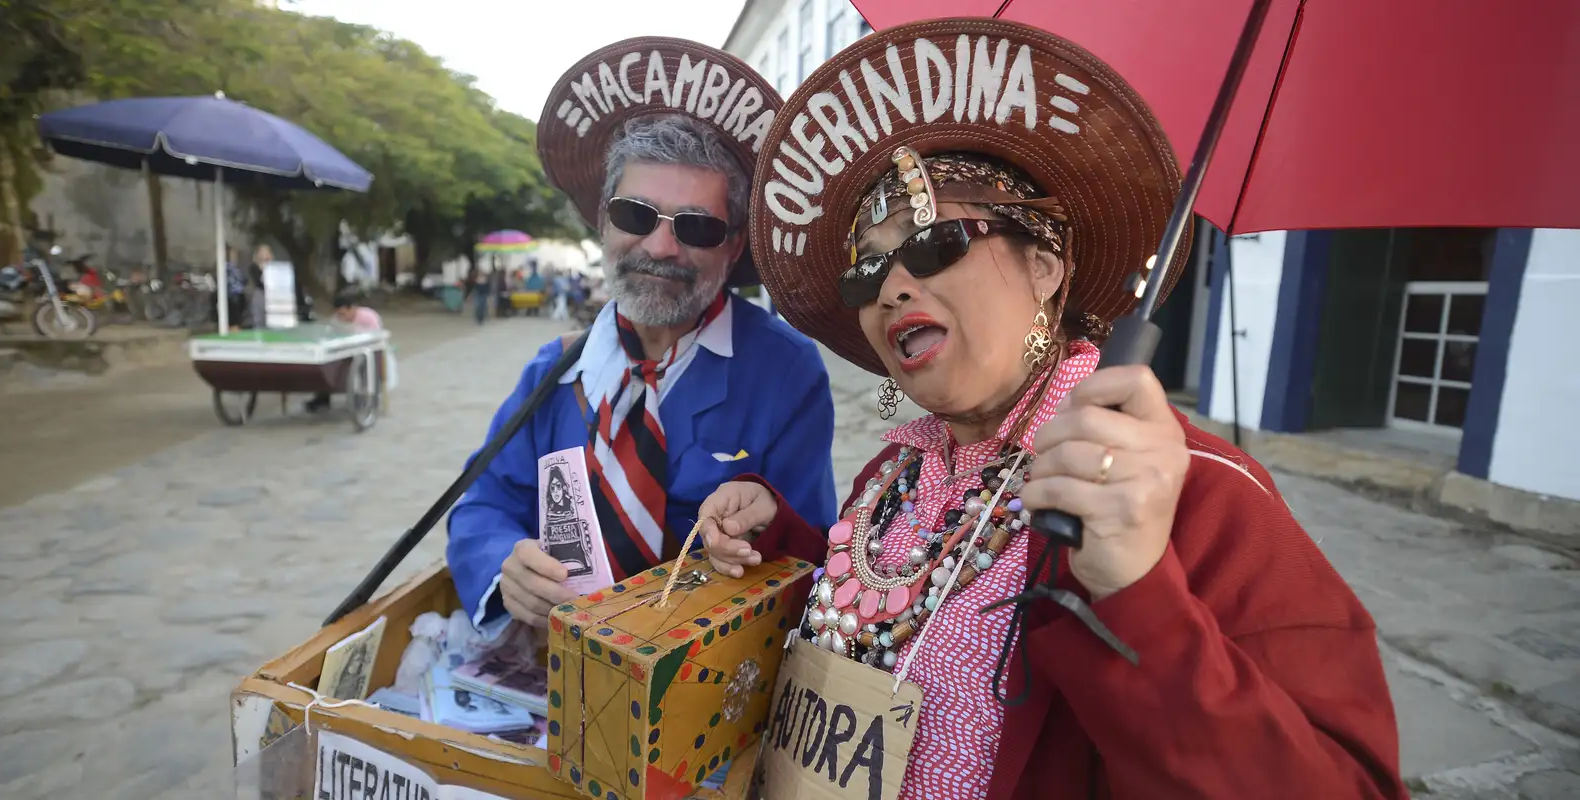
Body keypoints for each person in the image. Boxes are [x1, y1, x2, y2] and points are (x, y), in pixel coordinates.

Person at [697, 19, 1405, 800]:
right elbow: (884, 633)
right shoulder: (891, 471)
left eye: (933, 244)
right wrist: (779, 540)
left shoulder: (1198, 494)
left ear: (1044, 265)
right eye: (866, 273)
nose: (893, 287)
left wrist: (1139, 593)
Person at [446, 38, 837, 636]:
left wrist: (760, 528)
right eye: (636, 215)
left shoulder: (785, 372)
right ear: (603, 221)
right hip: (557, 660)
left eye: (697, 227)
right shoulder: (554, 371)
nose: (660, 247)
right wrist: (504, 567)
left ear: (733, 245)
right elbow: (484, 504)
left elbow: (812, 555)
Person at [306, 292, 383, 412]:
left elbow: (377, 336)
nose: (341, 317)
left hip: (368, 350)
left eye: (344, 313)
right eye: (338, 314)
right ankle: (323, 397)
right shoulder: (336, 320)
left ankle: (365, 396)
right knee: (326, 364)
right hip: (345, 351)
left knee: (366, 365)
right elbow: (331, 336)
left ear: (352, 308)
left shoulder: (368, 317)